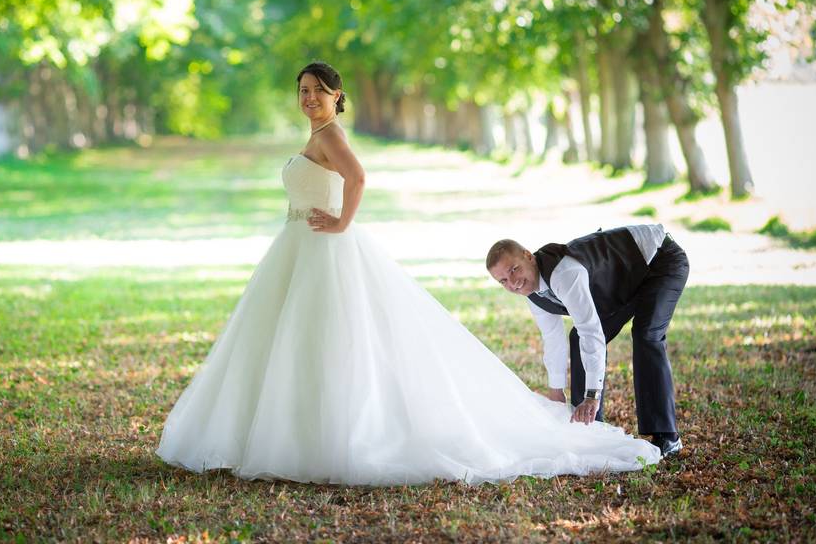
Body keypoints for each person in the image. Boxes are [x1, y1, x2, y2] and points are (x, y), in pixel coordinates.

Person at [156, 62, 660, 485]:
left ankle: (329, 436)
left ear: (337, 97)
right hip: (297, 248)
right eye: (303, 92)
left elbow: (357, 178)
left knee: (331, 336)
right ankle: (287, 429)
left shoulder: (330, 134)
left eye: (318, 92)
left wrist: (341, 222)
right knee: (290, 338)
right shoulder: (317, 133)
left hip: (325, 247)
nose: (309, 98)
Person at [485, 226, 689, 458]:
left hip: (659, 260)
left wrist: (593, 394)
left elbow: (591, 331)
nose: (512, 283)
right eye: (503, 281)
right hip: (623, 282)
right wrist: (556, 391)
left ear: (528, 256)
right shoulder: (531, 290)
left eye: (514, 270)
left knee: (646, 334)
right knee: (576, 338)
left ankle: (667, 437)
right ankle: (590, 428)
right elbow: (553, 339)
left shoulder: (564, 273)